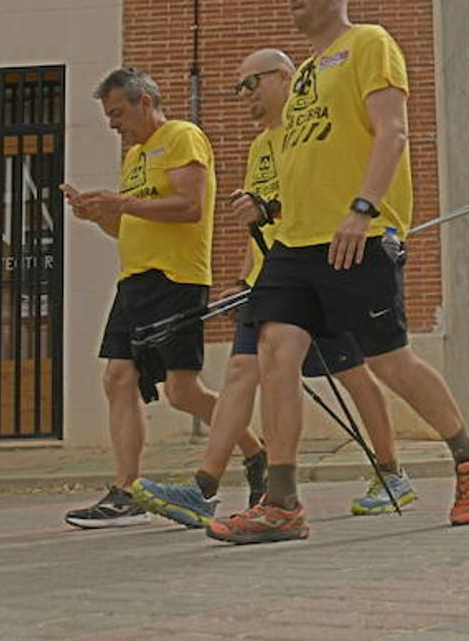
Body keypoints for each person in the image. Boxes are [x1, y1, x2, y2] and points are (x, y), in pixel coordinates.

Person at [206, 0, 469, 544]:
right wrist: (268, 209)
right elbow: (306, 156)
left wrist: (363, 208)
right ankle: (282, 502)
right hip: (294, 244)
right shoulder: (307, 73)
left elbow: (391, 131)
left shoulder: (370, 43)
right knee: (275, 354)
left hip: (356, 235)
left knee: (389, 360)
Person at [130, 49, 414, 528]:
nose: (244, 95)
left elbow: (321, 199)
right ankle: (204, 487)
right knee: (241, 370)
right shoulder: (261, 146)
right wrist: (246, 276)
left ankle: (391, 471)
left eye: (250, 83)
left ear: (285, 78)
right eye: (238, 87)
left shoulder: (318, 134)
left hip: (321, 272)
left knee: (355, 374)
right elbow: (257, 224)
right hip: (274, 280)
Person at [60, 67, 237, 529]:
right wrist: (97, 215)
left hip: (175, 278)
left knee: (182, 391)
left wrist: (121, 203)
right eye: (107, 116)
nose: (113, 124)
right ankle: (126, 491)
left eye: (118, 113)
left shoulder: (182, 136)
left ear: (144, 102)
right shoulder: (135, 156)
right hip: (134, 280)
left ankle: (258, 453)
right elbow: (127, 225)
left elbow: (189, 207)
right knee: (117, 377)